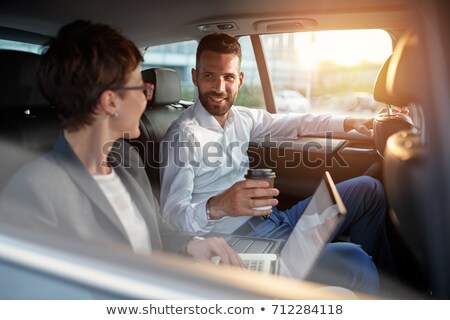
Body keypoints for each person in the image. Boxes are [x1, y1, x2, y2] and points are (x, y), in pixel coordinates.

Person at [0, 21, 242, 267]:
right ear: (110, 102)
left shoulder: (125, 159)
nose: (145, 100)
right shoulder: (34, 191)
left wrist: (191, 244)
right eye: (141, 89)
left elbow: (155, 230)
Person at [160, 33, 394, 274]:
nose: (219, 88)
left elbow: (296, 123)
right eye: (209, 76)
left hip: (273, 220)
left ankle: (385, 283)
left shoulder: (242, 118)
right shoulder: (183, 136)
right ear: (195, 77)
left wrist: (349, 122)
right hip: (235, 242)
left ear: (240, 80)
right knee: (355, 261)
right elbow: (171, 218)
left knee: (369, 190)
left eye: (228, 77)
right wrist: (218, 205)